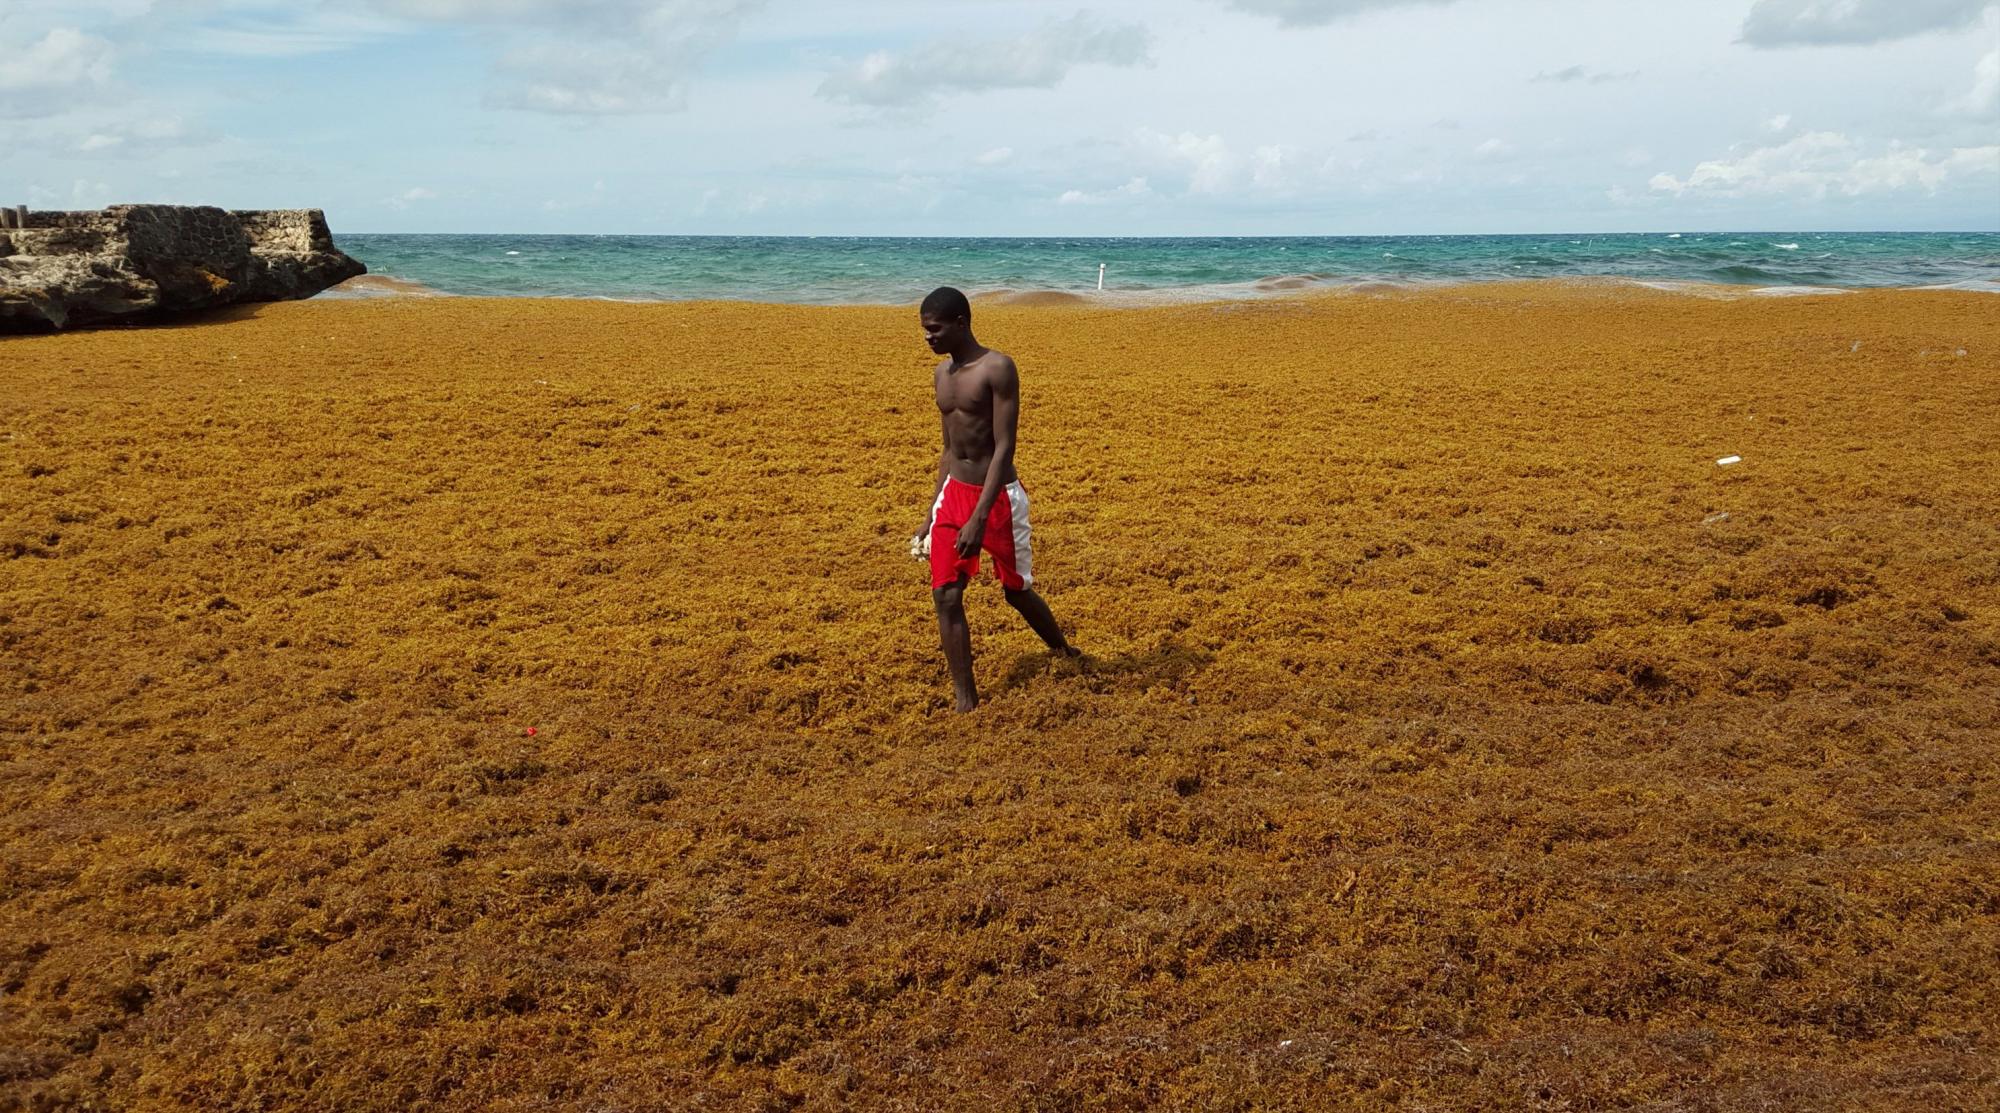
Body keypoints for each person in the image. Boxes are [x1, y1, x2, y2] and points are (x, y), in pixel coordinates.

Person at [914, 286, 1077, 712]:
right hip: (955, 494)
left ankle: (1063, 650)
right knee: (946, 595)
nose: (928, 338)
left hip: (998, 498)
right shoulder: (940, 377)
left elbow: (1005, 446)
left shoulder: (998, 368)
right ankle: (966, 699)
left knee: (1016, 591)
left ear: (960, 324)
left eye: (935, 329)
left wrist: (980, 517)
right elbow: (948, 449)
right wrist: (932, 512)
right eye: (924, 331)